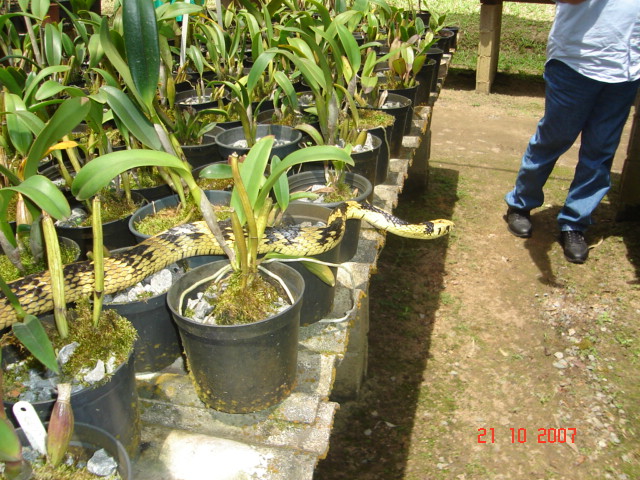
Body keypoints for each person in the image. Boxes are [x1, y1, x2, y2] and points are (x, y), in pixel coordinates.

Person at [504, 0, 640, 263]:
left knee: (600, 150)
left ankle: (575, 224)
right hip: (576, 60)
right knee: (553, 139)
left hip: (628, 68)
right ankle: (520, 204)